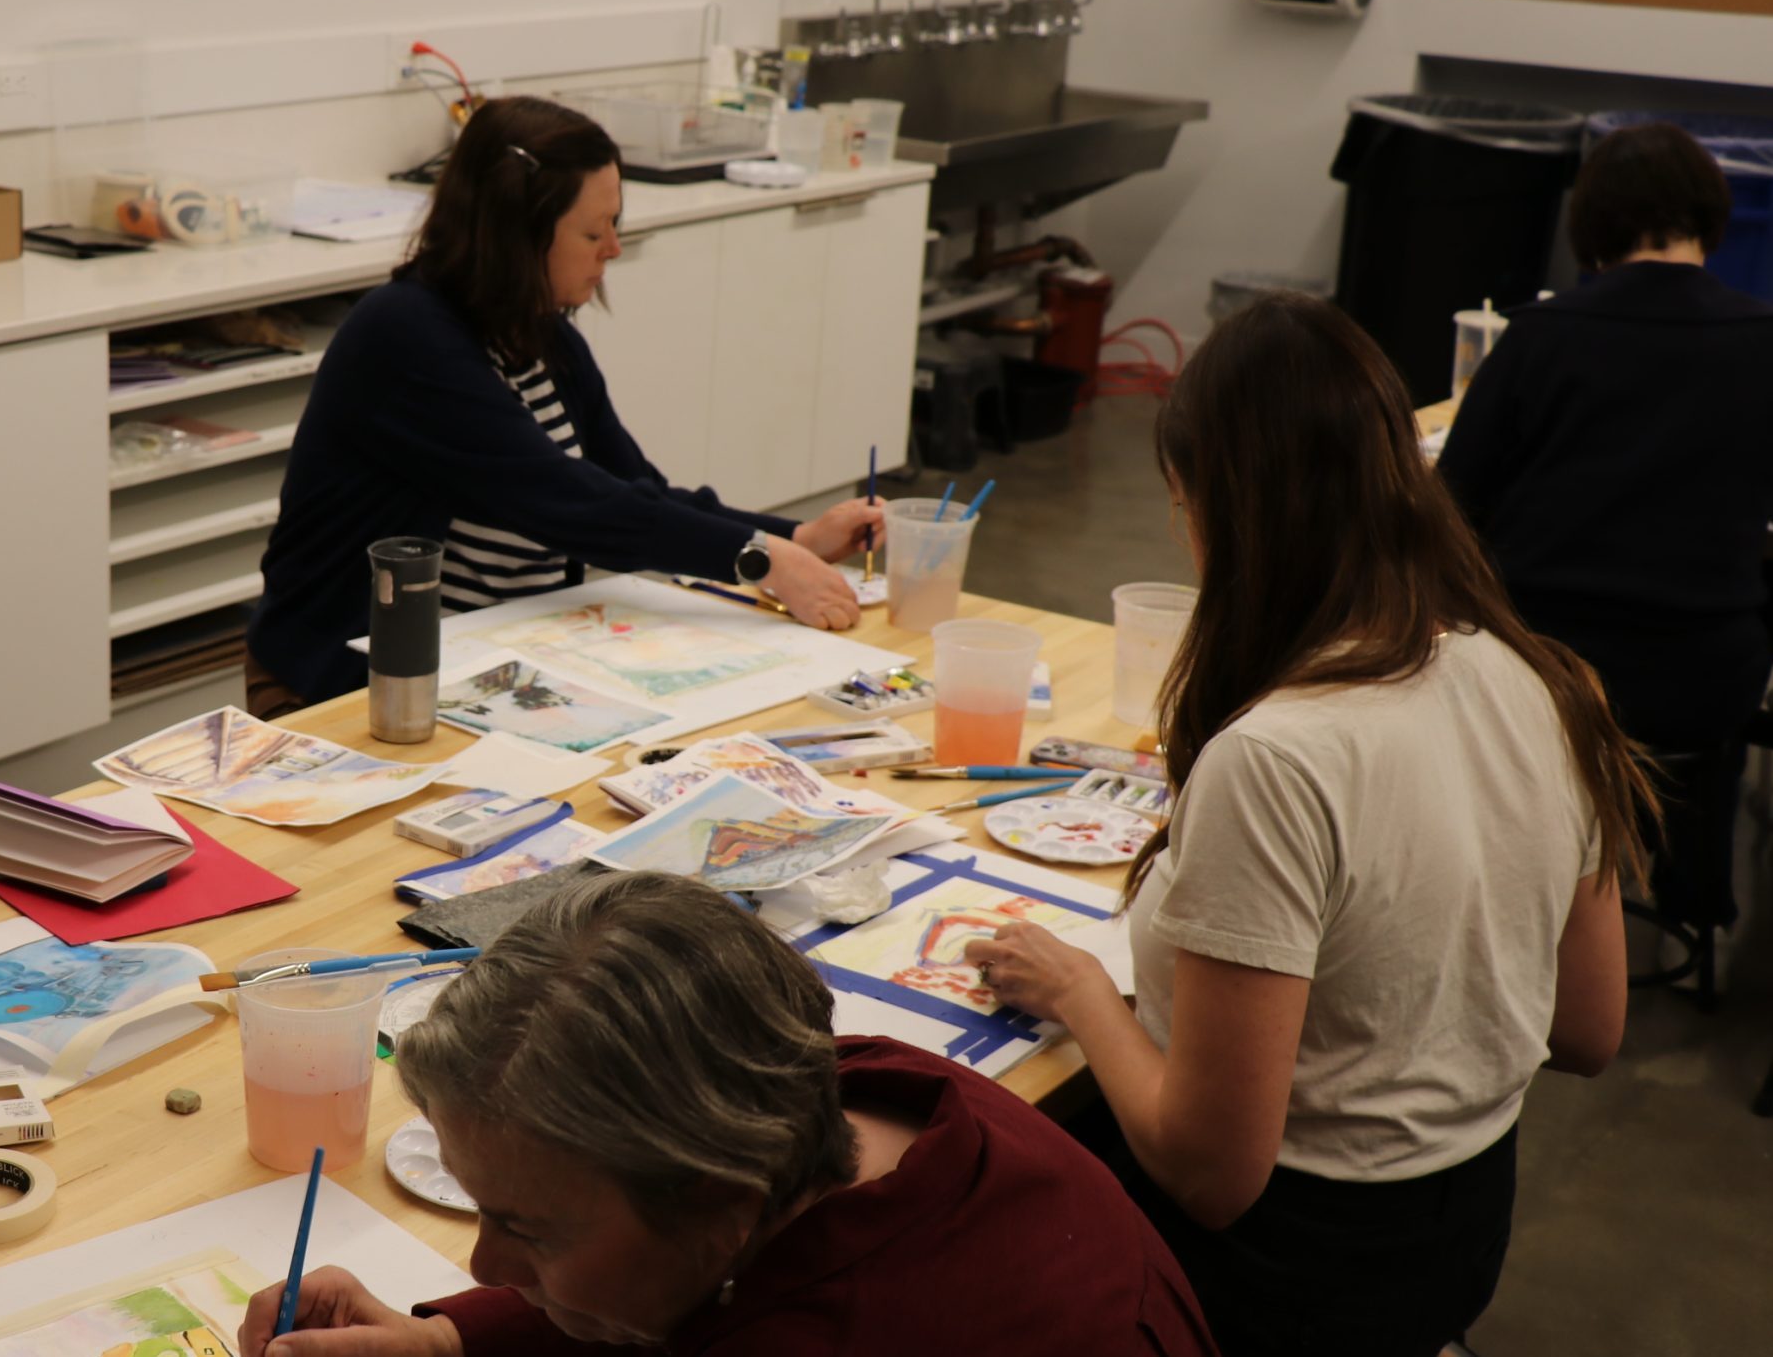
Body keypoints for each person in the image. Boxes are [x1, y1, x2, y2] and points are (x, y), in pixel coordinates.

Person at [965, 293, 1652, 1357]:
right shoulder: (1552, 683)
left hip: (1295, 1276)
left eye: (1182, 502)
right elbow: (1589, 1029)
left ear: (1227, 511)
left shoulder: (1281, 757)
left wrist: (1081, 992)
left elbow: (1210, 1175)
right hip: (1462, 1232)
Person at [234, 872, 1216, 1357]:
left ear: (719, 1200)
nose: (484, 1265)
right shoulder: (833, 1081)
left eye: (526, 1225)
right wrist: (448, 1342)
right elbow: (683, 1288)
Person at [243, 97, 883, 716]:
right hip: (353, 677)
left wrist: (796, 538)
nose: (613, 249)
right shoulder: (406, 335)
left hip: (501, 658)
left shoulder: (542, 335)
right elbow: (569, 502)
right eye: (592, 231)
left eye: (616, 226)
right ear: (517, 236)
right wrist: (760, 559)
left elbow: (635, 492)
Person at [1438, 121, 1773, 941]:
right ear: (1710, 218)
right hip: (1703, 681)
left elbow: (1449, 512)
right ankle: (1692, 889)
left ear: (1590, 226)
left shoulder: (1541, 338)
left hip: (1540, 680)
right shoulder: (1764, 342)